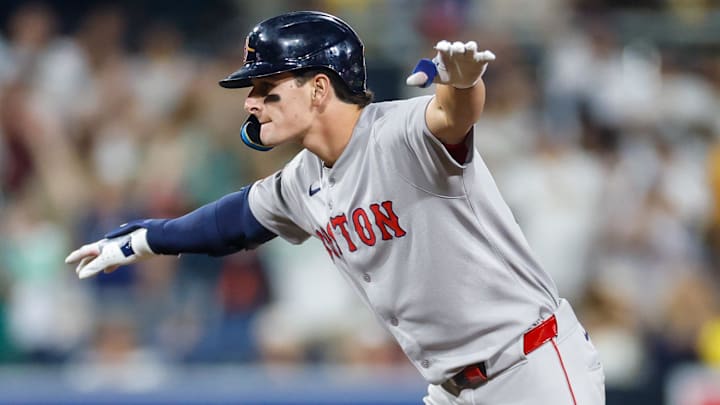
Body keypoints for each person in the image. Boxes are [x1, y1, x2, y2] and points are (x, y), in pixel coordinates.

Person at [65, 11, 606, 404]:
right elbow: (230, 223)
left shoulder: (397, 133)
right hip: (453, 389)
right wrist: (142, 240)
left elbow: (452, 115)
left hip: (532, 369)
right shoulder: (303, 179)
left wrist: (464, 83)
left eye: (267, 85)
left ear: (320, 88)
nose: (252, 101)